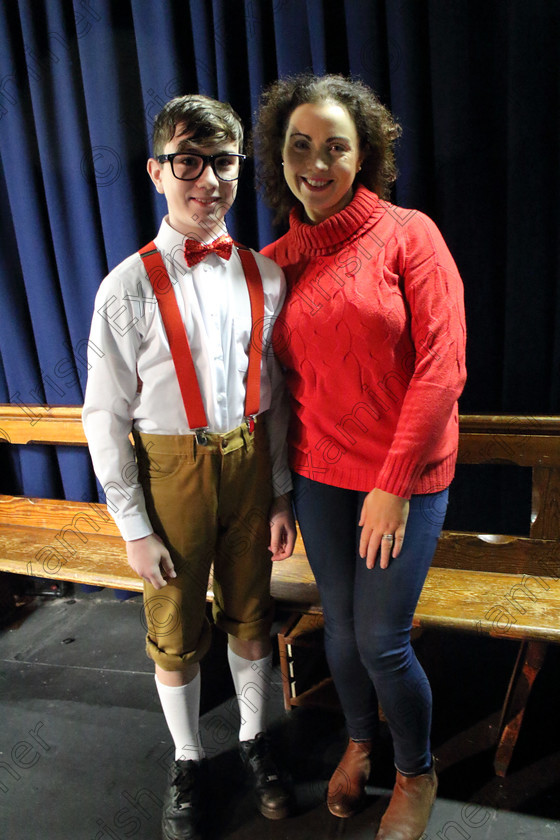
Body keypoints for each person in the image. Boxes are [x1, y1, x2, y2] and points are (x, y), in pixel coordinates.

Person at [253, 74, 467, 840]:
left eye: (334, 147)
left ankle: (416, 769)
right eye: (299, 146)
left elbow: (443, 367)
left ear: (364, 153)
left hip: (400, 479)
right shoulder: (273, 262)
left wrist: (395, 483)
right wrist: (280, 494)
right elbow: (273, 390)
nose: (317, 163)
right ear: (278, 155)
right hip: (319, 474)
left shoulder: (411, 235)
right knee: (338, 631)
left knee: (381, 637)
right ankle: (359, 740)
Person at [82, 94, 296, 840]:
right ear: (156, 171)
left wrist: (279, 494)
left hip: (248, 461)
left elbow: (273, 393)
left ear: (241, 169)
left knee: (251, 613)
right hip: (169, 473)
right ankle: (188, 758)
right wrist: (134, 527)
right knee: (174, 625)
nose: (207, 180)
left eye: (224, 163)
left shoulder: (265, 276)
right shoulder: (125, 288)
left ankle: (251, 738)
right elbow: (103, 419)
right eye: (188, 162)